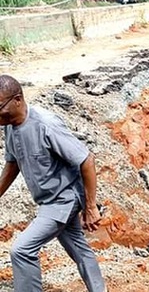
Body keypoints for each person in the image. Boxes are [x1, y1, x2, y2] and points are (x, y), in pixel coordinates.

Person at [0, 75, 105, 292]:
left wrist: (91, 206)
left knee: (21, 250)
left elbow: (87, 159)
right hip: (49, 202)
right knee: (79, 249)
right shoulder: (9, 126)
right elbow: (12, 165)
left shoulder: (46, 124)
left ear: (17, 99)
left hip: (63, 199)